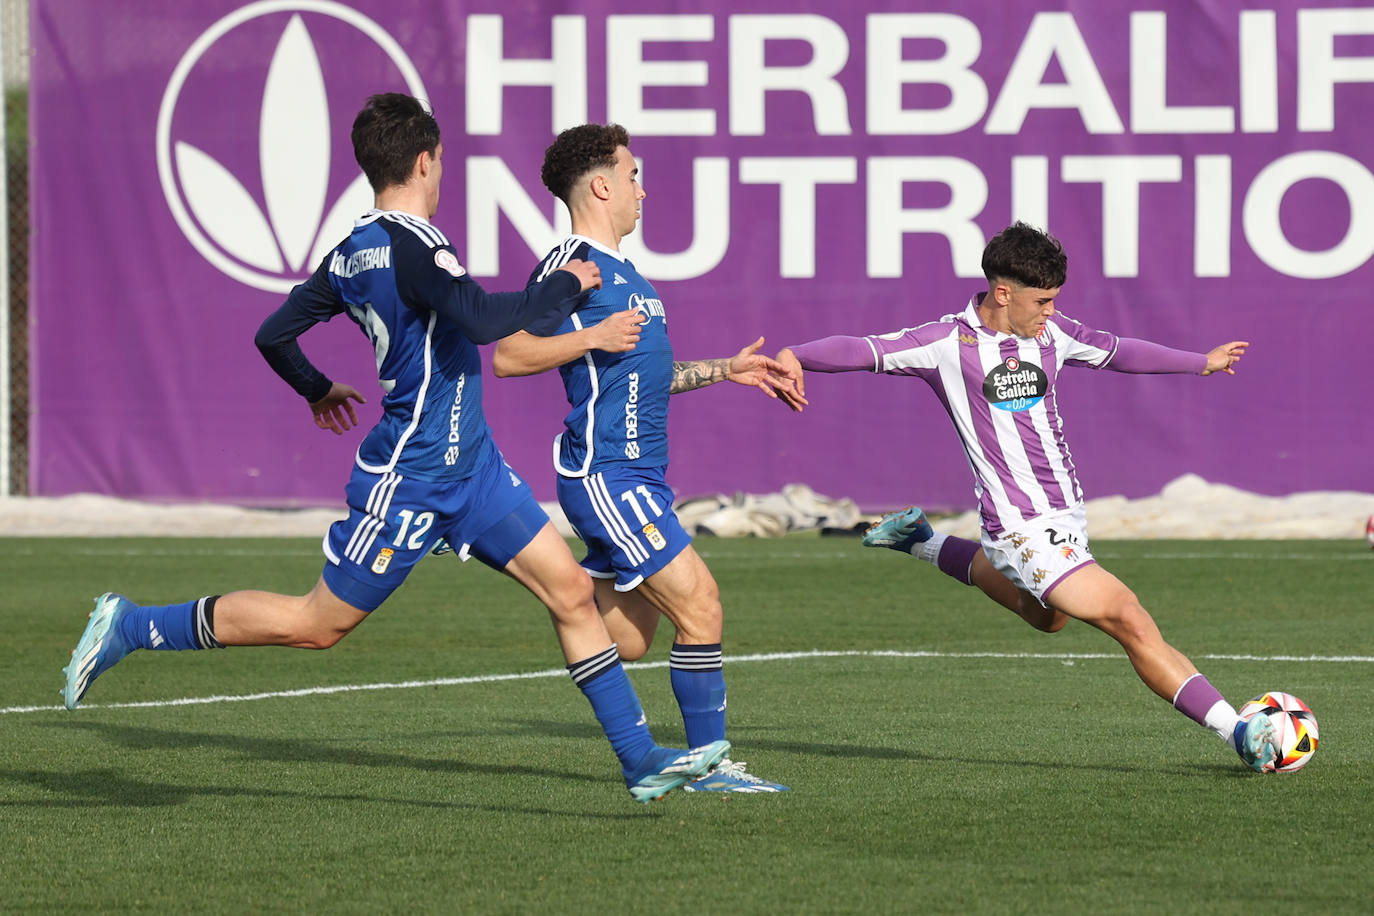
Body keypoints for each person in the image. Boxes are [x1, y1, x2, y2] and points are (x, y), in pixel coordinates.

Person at [61, 93, 729, 803]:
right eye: (439, 162)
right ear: (422, 161)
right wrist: (567, 285)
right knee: (317, 625)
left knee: (570, 593)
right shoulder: (417, 243)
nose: (441, 174)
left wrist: (317, 389)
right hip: (412, 475)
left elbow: (273, 334)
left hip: (473, 469)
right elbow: (478, 321)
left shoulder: (352, 251)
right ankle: (133, 624)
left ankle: (640, 762)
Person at [772, 221, 1281, 773]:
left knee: (1048, 621)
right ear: (1002, 292)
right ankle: (1241, 732)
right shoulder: (946, 343)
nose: (1050, 312)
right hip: (1020, 528)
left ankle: (923, 541)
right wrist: (796, 354)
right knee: (1128, 618)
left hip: (1066, 517)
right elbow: (863, 348)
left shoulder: (1052, 333)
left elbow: (1119, 351)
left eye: (1055, 300)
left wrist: (1199, 361)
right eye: (1041, 301)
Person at [488, 123, 797, 792]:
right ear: (602, 185)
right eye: (632, 176)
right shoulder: (570, 266)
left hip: (639, 480)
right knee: (702, 607)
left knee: (626, 640)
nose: (642, 190)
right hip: (606, 477)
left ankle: (550, 582)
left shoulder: (626, 273)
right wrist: (592, 333)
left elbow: (645, 372)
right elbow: (510, 356)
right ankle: (710, 768)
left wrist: (727, 369)